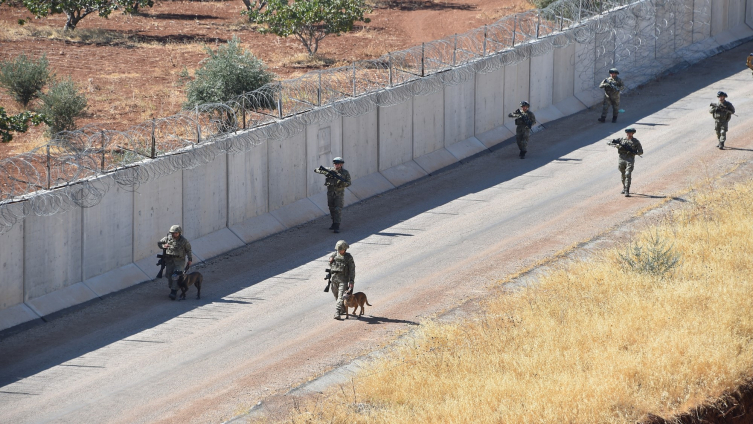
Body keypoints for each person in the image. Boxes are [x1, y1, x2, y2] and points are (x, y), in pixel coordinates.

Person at [314, 157, 351, 233]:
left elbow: (348, 183)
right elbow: (316, 170)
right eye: (335, 164)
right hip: (330, 193)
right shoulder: (330, 170)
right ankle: (334, 223)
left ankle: (337, 225)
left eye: (338, 164)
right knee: (331, 208)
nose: (336, 165)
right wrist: (327, 173)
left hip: (339, 194)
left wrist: (342, 182)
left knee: (337, 209)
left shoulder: (345, 172)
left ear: (341, 164)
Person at [158, 225, 193, 300]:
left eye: (176, 233)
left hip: (179, 261)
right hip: (169, 260)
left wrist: (190, 259)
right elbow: (159, 243)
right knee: (169, 275)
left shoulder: (184, 241)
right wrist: (164, 245)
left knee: (176, 275)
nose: (174, 234)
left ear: (179, 233)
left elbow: (188, 250)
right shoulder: (168, 238)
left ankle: (174, 291)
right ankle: (172, 288)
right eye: (173, 233)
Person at [608, 127, 643, 197]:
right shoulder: (621, 140)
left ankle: (627, 190)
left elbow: (641, 152)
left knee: (628, 174)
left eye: (630, 133)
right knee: (623, 174)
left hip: (630, 159)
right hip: (621, 159)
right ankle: (624, 187)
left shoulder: (636, 142)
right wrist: (616, 145)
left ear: (633, 133)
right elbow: (609, 142)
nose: (628, 134)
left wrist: (634, 152)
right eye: (628, 133)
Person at [329, 240, 355, 320]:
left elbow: (352, 270)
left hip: (343, 280)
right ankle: (342, 309)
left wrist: (351, 281)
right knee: (336, 295)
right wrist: (330, 261)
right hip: (334, 279)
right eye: (338, 249)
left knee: (340, 297)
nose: (340, 251)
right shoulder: (334, 255)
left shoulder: (348, 257)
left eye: (341, 250)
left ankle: (337, 313)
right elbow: (331, 264)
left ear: (345, 249)